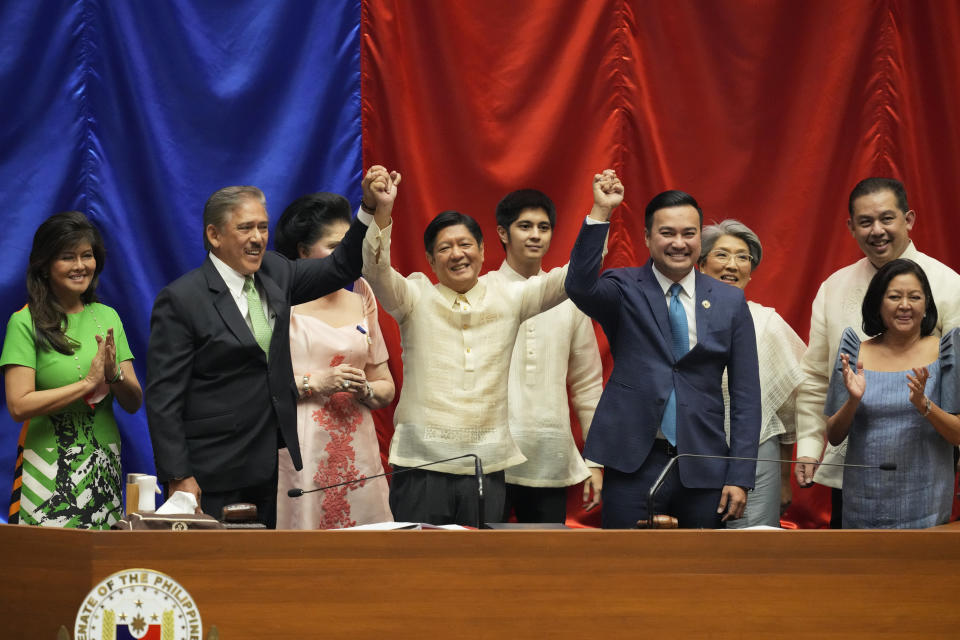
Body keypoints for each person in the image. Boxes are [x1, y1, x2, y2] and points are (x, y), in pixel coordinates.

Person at [360, 167, 605, 526]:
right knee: (418, 571)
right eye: (444, 248)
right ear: (430, 260)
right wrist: (381, 211)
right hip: (421, 463)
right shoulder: (414, 297)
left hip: (486, 467)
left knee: (479, 574)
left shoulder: (510, 297)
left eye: (465, 245)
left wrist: (600, 213)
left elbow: (576, 278)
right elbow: (375, 269)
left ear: (482, 249)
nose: (457, 254)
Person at [146, 170, 390, 528]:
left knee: (259, 572)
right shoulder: (182, 299)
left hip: (267, 466)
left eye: (262, 227)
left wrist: (368, 208)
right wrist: (179, 475)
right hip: (211, 468)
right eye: (246, 228)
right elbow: (163, 399)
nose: (258, 238)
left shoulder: (275, 271)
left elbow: (341, 266)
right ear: (214, 235)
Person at [566, 177, 761, 529]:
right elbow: (578, 285)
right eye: (667, 233)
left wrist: (740, 474)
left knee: (701, 573)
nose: (679, 243)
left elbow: (747, 396)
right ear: (646, 237)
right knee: (628, 570)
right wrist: (601, 212)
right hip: (633, 461)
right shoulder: (623, 287)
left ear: (700, 238)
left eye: (689, 233)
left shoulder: (730, 301)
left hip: (704, 461)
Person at [794, 177, 960, 528]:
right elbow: (814, 377)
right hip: (853, 468)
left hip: (928, 467)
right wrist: (809, 444)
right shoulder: (833, 288)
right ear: (850, 227)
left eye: (887, 218)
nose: (877, 231)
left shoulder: (948, 285)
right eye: (866, 222)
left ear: (909, 219)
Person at [1, 211, 142, 528]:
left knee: (102, 567)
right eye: (68, 257)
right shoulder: (24, 322)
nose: (80, 266)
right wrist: (87, 384)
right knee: (50, 568)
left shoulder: (108, 317)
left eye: (87, 255)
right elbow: (18, 405)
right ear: (45, 265)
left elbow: (134, 403)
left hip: (102, 461)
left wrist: (114, 375)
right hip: (47, 464)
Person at [272, 192, 396, 529]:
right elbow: (257, 387)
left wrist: (365, 390)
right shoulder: (278, 297)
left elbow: (386, 386)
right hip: (302, 442)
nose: (345, 256)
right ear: (302, 252)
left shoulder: (361, 292)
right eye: (334, 246)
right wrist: (316, 383)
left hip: (357, 445)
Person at [494, 189, 603, 523]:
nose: (536, 235)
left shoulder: (570, 300)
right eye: (525, 226)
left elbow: (587, 385)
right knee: (479, 567)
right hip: (488, 458)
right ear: (502, 232)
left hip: (549, 456)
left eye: (543, 227)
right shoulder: (480, 292)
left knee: (544, 570)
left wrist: (596, 461)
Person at [825, 259, 959, 528]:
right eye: (894, 297)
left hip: (926, 498)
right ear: (878, 303)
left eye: (915, 297)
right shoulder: (854, 352)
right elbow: (835, 435)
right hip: (863, 497)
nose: (905, 305)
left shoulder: (945, 351)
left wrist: (924, 405)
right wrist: (853, 400)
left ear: (926, 304)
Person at [698, 220, 805, 527]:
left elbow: (787, 411)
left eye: (743, 257)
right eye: (722, 255)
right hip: (693, 454)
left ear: (751, 270)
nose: (732, 265)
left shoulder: (767, 322)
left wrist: (785, 478)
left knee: (753, 555)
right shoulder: (682, 317)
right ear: (701, 264)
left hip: (758, 456)